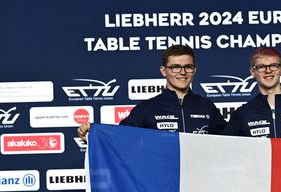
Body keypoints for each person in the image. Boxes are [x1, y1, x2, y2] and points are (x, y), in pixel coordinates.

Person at [78, 44, 227, 142]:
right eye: (175, 67)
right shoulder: (148, 108)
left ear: (194, 70)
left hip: (198, 182)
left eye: (188, 67)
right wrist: (93, 136)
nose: (182, 72)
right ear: (164, 71)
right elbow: (120, 138)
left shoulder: (206, 107)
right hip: (162, 184)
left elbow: (230, 141)